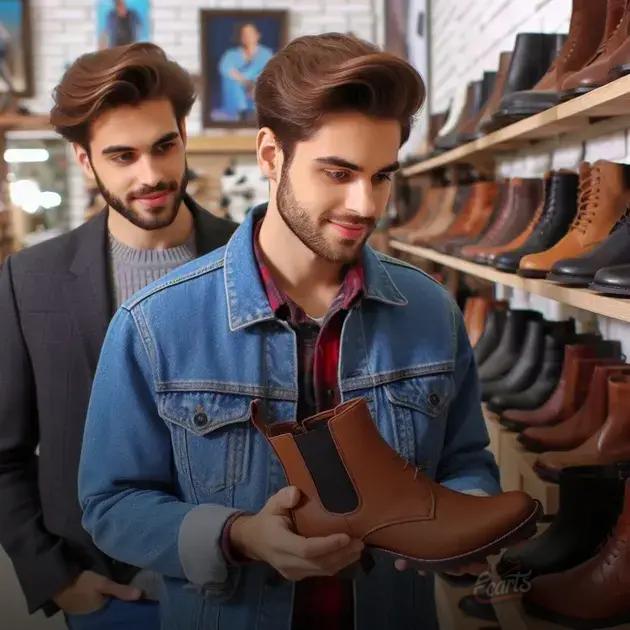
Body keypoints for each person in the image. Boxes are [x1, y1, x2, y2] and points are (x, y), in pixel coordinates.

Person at [79, 33, 501, 630]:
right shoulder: (153, 324)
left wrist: (463, 526)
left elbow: (467, 462)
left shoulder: (430, 309)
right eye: (338, 171)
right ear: (271, 155)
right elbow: (111, 505)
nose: (364, 204)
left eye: (382, 176)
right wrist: (240, 535)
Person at [0, 42, 236, 630]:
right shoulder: (28, 281)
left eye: (164, 147)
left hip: (243, 580)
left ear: (184, 134)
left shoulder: (253, 260)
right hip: (108, 592)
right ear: (84, 161)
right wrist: (57, 577)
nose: (151, 175)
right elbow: (2, 456)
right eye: (122, 155)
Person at [217, 22, 273, 121]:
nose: (247, 37)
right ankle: (240, 113)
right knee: (233, 83)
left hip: (257, 89)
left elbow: (269, 73)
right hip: (238, 90)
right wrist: (245, 82)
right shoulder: (231, 54)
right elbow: (225, 68)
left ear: (258, 35)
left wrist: (254, 85)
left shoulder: (266, 54)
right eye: (244, 34)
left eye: (250, 33)